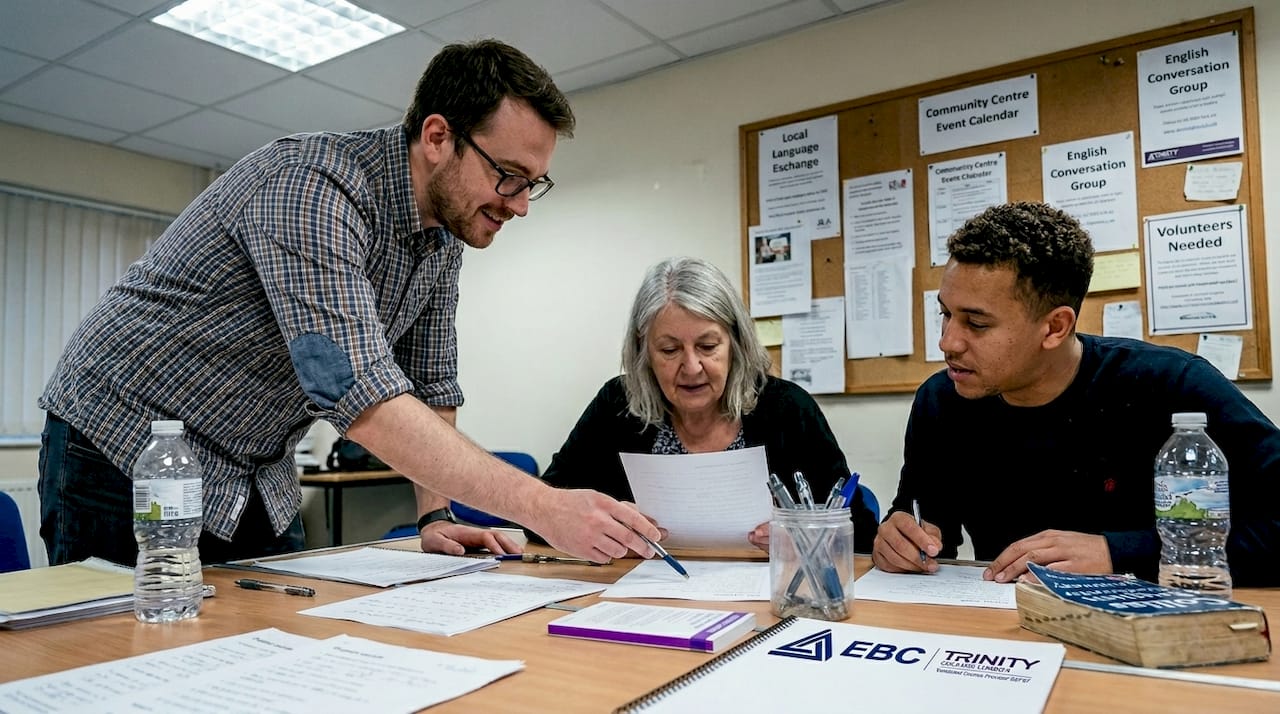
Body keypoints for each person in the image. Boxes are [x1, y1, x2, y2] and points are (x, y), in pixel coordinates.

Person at [37, 39, 659, 568]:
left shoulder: (443, 237)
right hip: (124, 444)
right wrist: (546, 507)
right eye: (510, 175)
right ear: (438, 136)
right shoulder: (312, 188)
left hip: (250, 465)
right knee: (126, 656)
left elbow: (430, 383)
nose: (520, 203)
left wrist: (435, 514)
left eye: (533, 184)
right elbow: (362, 397)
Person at [872, 202, 1280, 586]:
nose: (948, 343)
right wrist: (899, 539)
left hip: (1145, 626)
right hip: (1006, 628)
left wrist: (1116, 551)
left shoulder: (1171, 385)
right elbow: (923, 520)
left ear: (1055, 327)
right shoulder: (943, 401)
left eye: (976, 324)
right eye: (945, 313)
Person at [536, 257, 879, 552]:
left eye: (708, 346)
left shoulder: (787, 409)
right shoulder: (618, 405)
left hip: (768, 598)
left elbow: (862, 532)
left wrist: (810, 538)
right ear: (644, 353)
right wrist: (601, 526)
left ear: (735, 343)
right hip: (644, 596)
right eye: (669, 350)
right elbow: (541, 514)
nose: (692, 367)